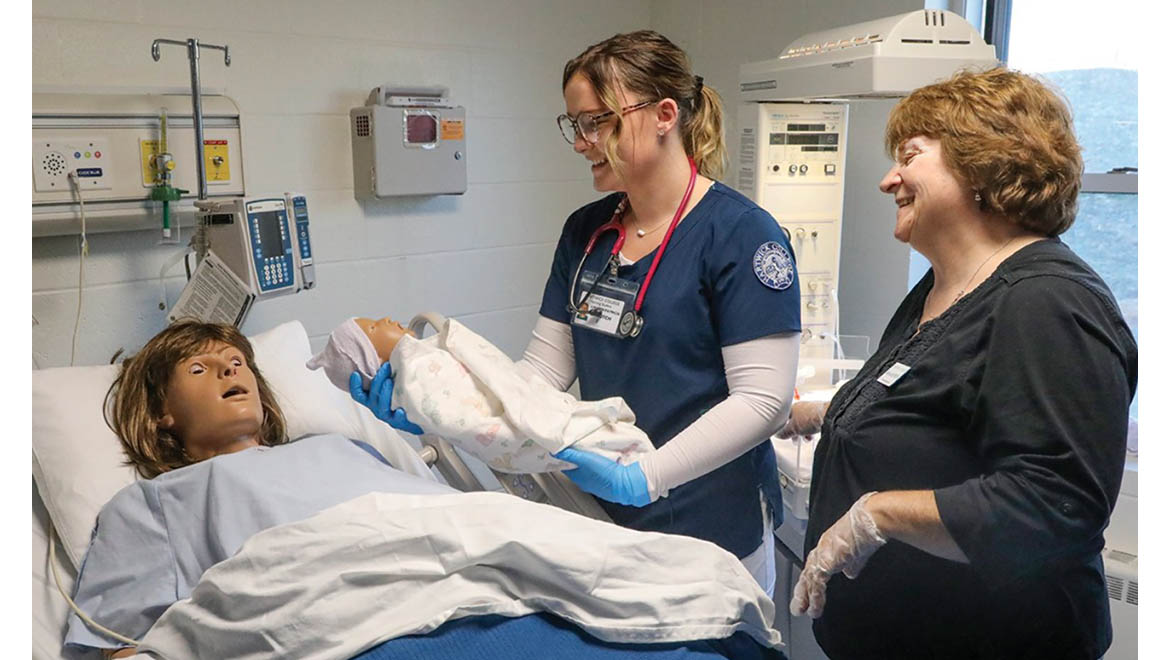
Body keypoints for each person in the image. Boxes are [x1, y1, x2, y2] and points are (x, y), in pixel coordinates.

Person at [352, 30, 802, 596]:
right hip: (608, 519)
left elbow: (762, 401)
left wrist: (648, 477)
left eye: (597, 122)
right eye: (575, 124)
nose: (581, 142)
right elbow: (538, 378)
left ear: (665, 115)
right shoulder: (587, 232)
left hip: (713, 529)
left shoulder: (740, 234)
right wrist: (440, 410)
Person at [64, 321, 784, 660]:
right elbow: (120, 648)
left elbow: (441, 521)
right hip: (355, 621)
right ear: (160, 414)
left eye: (237, 360)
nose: (231, 368)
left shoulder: (340, 444)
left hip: (471, 567)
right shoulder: (152, 504)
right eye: (201, 369)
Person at [780, 67, 1137, 659]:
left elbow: (1055, 503)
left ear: (983, 162)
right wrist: (823, 413)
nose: (888, 179)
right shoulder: (943, 287)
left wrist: (880, 513)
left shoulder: (1045, 303)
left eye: (910, 156)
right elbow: (935, 401)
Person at [307, 315, 655, 473]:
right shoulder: (415, 371)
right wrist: (425, 413)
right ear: (371, 361)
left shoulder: (710, 225)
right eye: (371, 328)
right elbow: (465, 412)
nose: (384, 318)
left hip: (693, 477)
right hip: (531, 422)